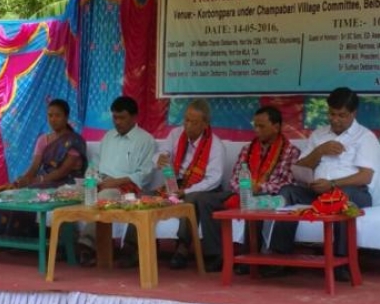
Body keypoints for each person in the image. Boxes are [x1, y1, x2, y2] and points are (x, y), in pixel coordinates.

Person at [267, 87, 378, 281]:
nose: (335, 120)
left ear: (354, 113)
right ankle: (280, 257)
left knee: (342, 198)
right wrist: (319, 151)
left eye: (342, 115)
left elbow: (365, 176)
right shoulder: (319, 135)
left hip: (353, 192)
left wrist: (333, 184)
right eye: (332, 114)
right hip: (318, 191)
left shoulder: (365, 137)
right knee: (287, 191)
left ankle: (341, 262)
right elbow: (299, 168)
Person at [175, 106, 300, 272]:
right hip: (241, 192)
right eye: (255, 126)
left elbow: (286, 183)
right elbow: (234, 178)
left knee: (254, 204)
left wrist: (259, 187)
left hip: (267, 196)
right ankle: (217, 255)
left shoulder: (290, 152)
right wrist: (244, 188)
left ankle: (250, 259)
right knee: (205, 199)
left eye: (261, 126)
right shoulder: (248, 149)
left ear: (276, 127)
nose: (256, 130)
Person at [136, 98, 225, 269]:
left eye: (194, 122)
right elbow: (162, 153)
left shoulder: (216, 146)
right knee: (144, 197)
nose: (188, 126)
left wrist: (186, 191)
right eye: (186, 120)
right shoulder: (176, 134)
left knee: (190, 200)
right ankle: (137, 247)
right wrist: (159, 158)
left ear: (205, 124)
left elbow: (213, 180)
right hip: (175, 185)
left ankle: (182, 248)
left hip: (203, 188)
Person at [0, 99, 88, 238]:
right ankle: (4, 239)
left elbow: (63, 171)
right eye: (50, 115)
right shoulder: (43, 139)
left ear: (66, 117)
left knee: (30, 193)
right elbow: (34, 167)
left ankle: (28, 238)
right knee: (10, 195)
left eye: (58, 115)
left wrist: (39, 180)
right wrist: (23, 180)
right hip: (44, 181)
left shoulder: (74, 141)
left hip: (66, 182)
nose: (53, 119)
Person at [77, 96, 156, 266]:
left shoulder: (146, 140)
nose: (117, 122)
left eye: (122, 118)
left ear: (134, 117)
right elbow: (95, 164)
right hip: (101, 182)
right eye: (115, 117)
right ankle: (63, 244)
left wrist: (115, 182)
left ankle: (86, 244)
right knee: (68, 193)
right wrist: (92, 180)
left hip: (126, 186)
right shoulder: (108, 136)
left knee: (105, 196)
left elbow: (145, 174)